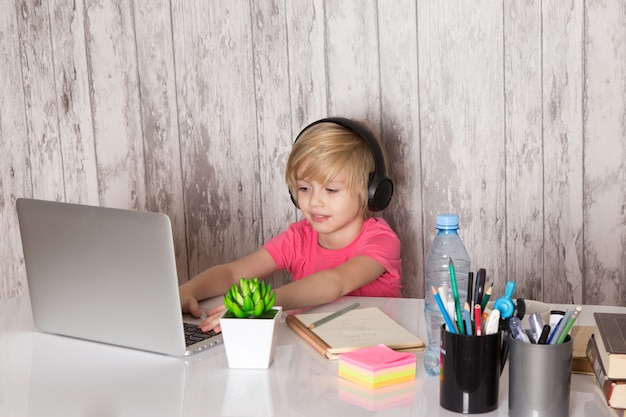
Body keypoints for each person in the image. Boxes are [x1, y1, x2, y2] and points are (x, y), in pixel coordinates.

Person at [179, 117, 402, 332]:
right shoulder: (298, 238)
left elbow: (335, 283)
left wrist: (259, 304)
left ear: (373, 192)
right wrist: (188, 290)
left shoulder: (381, 241)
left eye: (331, 190)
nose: (314, 201)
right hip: (309, 354)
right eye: (304, 188)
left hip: (371, 357)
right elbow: (232, 273)